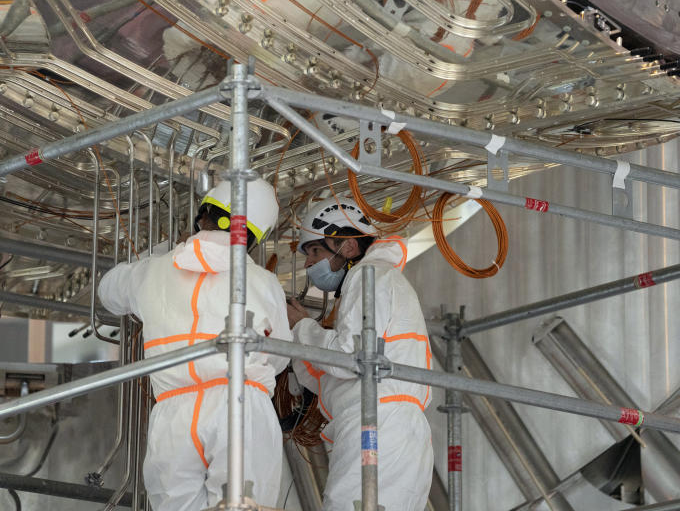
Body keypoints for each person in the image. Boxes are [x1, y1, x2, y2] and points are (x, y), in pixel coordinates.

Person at [99, 178, 291, 511]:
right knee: (244, 505)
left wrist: (162, 252)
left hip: (173, 414)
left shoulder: (153, 272)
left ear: (202, 214)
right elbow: (280, 356)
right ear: (254, 235)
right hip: (239, 404)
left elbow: (108, 291)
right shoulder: (263, 282)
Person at [285, 197, 434, 511]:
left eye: (315, 251)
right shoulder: (381, 279)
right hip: (396, 428)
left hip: (376, 423)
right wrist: (298, 350)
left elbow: (348, 358)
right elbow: (341, 372)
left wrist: (301, 328)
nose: (309, 264)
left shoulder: (369, 276)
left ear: (348, 247)